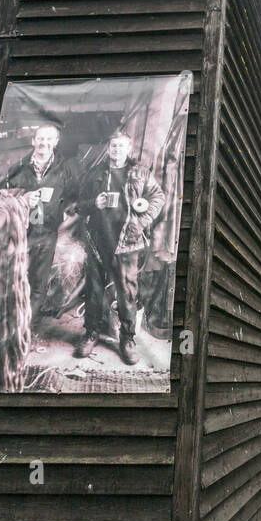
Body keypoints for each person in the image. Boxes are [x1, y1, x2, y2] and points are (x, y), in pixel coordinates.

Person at [74, 128, 165, 364]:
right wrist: (93, 203)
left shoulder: (140, 173)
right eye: (113, 145)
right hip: (97, 241)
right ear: (108, 148)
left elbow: (158, 197)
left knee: (127, 293)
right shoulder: (94, 173)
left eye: (121, 146)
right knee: (93, 291)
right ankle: (91, 333)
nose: (116, 149)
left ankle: (127, 339)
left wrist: (142, 221)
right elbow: (78, 205)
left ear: (128, 148)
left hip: (127, 242)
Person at [0, 124, 76, 321]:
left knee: (38, 283)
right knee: (14, 278)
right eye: (40, 138)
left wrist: (65, 211)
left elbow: (75, 196)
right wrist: (22, 198)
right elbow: (0, 197)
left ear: (56, 143)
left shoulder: (65, 169)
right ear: (33, 141)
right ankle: (9, 323)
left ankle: (25, 328)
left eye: (49, 139)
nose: (44, 143)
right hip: (21, 232)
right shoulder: (17, 168)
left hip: (48, 232)